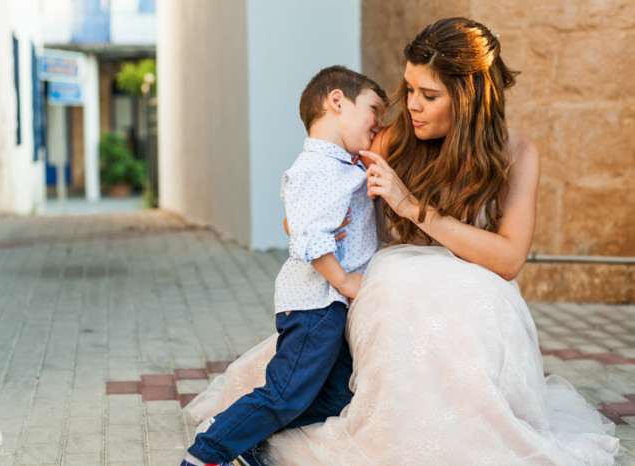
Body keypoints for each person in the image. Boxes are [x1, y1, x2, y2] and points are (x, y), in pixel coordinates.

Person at [185, 17, 622, 465]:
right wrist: (307, 230)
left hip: (478, 294)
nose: (411, 105)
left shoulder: (518, 152)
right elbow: (311, 207)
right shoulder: (393, 141)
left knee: (467, 330)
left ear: (469, 99)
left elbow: (509, 259)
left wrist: (413, 206)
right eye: (409, 89)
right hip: (396, 290)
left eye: (429, 95)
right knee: (390, 309)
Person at [181, 65, 387, 466]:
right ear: (337, 101)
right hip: (316, 303)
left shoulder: (342, 165)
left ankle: (245, 435)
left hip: (331, 305)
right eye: (374, 108)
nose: (379, 122)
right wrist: (344, 280)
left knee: (338, 396)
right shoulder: (318, 167)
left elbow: (301, 222)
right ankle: (209, 451)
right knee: (285, 393)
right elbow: (307, 236)